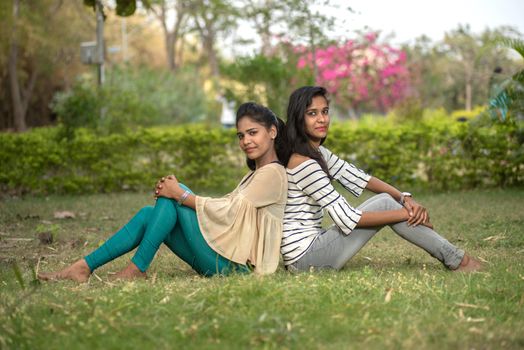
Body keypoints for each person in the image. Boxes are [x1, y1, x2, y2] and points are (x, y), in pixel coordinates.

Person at [38, 102, 289, 282]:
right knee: (151, 214)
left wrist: (179, 194)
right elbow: (227, 207)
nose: (246, 140)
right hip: (221, 259)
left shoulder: (273, 173)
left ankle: (136, 268)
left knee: (173, 200)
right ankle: (83, 266)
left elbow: (228, 212)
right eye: (241, 135)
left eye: (253, 133)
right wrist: (178, 193)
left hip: (237, 269)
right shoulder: (256, 174)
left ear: (272, 132)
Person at [281, 86, 482, 272]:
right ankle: (457, 260)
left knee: (388, 199)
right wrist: (406, 213)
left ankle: (455, 258)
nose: (322, 119)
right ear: (298, 118)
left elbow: (359, 178)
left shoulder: (316, 153)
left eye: (324, 111)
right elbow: (348, 219)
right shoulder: (304, 164)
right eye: (312, 113)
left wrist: (404, 199)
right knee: (386, 204)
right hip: (305, 259)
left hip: (312, 246)